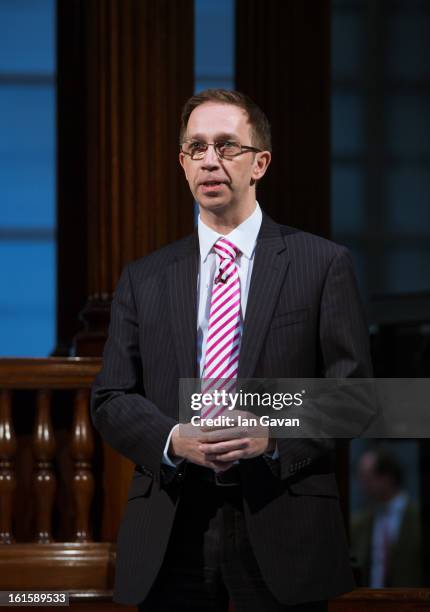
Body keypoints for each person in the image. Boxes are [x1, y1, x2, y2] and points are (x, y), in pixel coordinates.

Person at [91, 89, 373, 611]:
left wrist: (271, 431)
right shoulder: (145, 277)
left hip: (281, 517)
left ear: (259, 163)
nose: (210, 160)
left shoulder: (321, 263)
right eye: (195, 148)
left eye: (226, 146)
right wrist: (174, 437)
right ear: (182, 164)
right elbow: (110, 396)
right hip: (173, 524)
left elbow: (354, 395)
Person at [351, 447, 422, 587]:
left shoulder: (417, 518)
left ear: (387, 477)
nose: (362, 486)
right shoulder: (359, 523)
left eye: (367, 479)